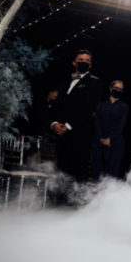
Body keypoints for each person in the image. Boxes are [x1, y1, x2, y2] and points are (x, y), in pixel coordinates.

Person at [51, 49, 102, 182]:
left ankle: (77, 202)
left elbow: (88, 108)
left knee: (78, 170)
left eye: (87, 61)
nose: (84, 62)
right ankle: (58, 201)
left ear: (90, 65)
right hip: (61, 133)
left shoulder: (95, 82)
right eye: (81, 60)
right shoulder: (65, 82)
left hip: (79, 133)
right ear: (74, 63)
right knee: (61, 169)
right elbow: (56, 105)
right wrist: (55, 123)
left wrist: (68, 125)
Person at [92, 80, 128, 179]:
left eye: (121, 89)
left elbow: (121, 125)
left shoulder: (124, 106)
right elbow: (96, 122)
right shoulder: (101, 105)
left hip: (115, 143)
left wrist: (110, 139)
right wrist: (100, 138)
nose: (118, 90)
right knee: (97, 172)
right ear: (110, 88)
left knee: (112, 174)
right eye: (116, 88)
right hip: (98, 142)